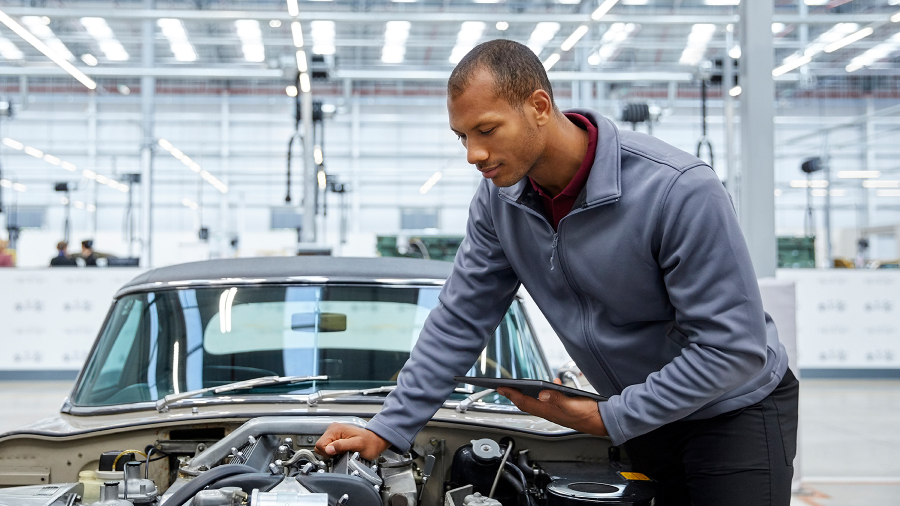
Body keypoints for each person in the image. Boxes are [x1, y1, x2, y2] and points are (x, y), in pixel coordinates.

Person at [316, 39, 798, 505]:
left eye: (486, 130)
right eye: (462, 137)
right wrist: (389, 427)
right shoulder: (498, 201)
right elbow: (462, 317)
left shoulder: (677, 191)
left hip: (733, 413)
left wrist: (612, 416)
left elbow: (732, 348)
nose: (472, 154)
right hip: (643, 417)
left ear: (539, 106)